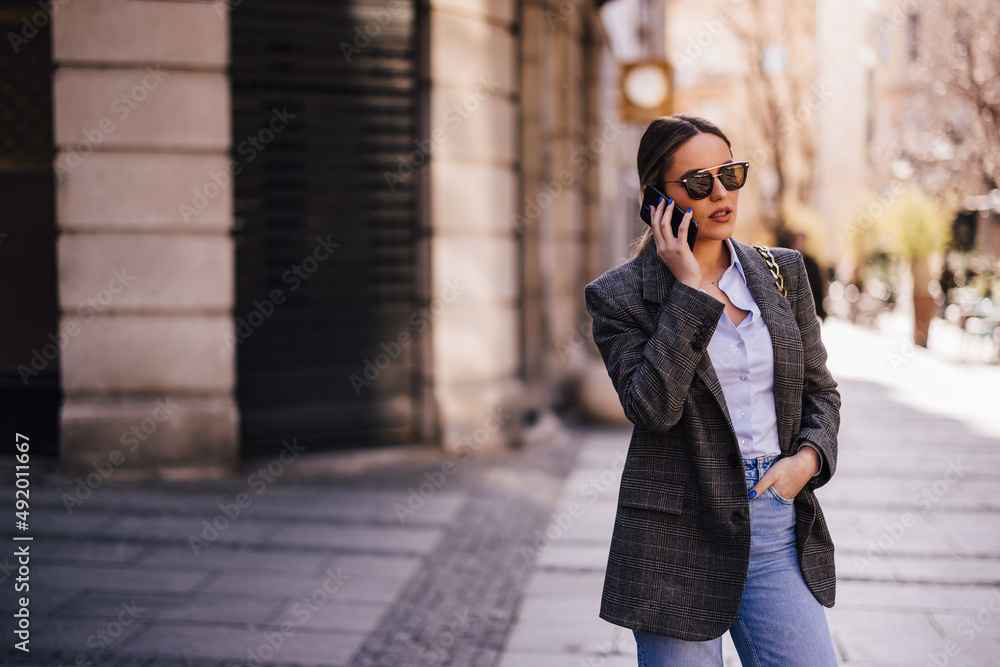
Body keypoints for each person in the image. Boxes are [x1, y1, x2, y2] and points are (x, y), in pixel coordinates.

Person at [584, 115, 841, 666]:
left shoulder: (782, 273)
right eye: (698, 183)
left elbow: (820, 389)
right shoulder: (620, 296)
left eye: (730, 174)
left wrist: (808, 459)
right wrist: (689, 293)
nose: (721, 193)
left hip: (775, 517)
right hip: (675, 530)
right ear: (657, 199)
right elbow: (652, 407)